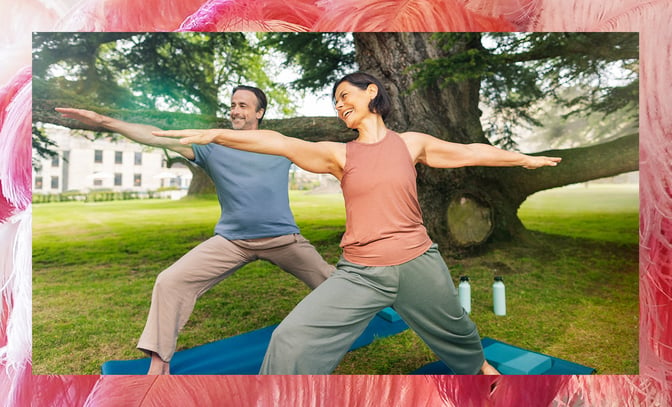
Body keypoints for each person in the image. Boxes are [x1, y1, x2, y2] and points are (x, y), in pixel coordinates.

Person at [153, 72, 562, 375]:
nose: (340, 105)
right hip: (362, 272)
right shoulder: (339, 154)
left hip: (418, 262)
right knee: (290, 339)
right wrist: (216, 135)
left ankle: (489, 380)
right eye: (335, 102)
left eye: (345, 95)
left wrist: (521, 159)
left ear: (372, 93)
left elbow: (468, 151)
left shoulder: (410, 143)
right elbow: (279, 143)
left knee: (461, 338)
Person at [55, 85, 335, 375]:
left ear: (260, 113)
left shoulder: (279, 145)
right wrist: (103, 121)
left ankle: (376, 312)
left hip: (282, 239)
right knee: (170, 281)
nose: (236, 111)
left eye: (244, 106)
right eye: (233, 105)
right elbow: (155, 135)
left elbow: (329, 158)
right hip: (232, 242)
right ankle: (159, 362)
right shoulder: (212, 145)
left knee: (331, 280)